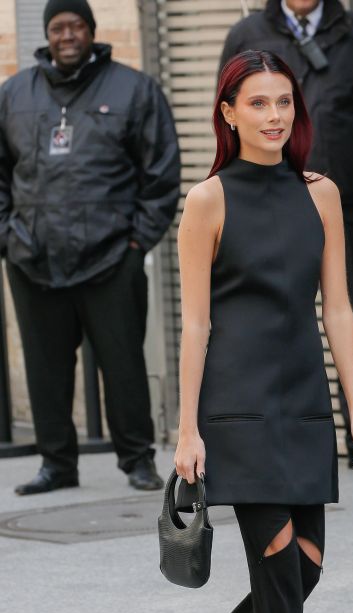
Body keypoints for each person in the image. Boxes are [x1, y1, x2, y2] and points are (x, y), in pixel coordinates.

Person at [174, 49, 353, 613]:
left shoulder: (320, 193)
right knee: (276, 578)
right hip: (238, 410)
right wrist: (186, 429)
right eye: (257, 103)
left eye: (283, 103)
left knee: (304, 573)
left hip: (302, 403)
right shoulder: (206, 202)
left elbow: (339, 309)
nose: (273, 116)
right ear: (228, 113)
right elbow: (194, 324)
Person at [220, 0, 353, 472]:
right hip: (265, 197)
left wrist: (340, 157)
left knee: (349, 306)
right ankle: (267, 435)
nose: (276, 113)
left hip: (343, 193)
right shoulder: (248, 32)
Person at [0, 0, 181, 494]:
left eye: (76, 25)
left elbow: (162, 173)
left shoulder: (135, 89)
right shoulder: (13, 94)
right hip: (33, 259)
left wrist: (138, 239)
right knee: (46, 369)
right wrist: (7, 236)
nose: (67, 35)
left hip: (110, 259)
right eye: (58, 27)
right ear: (47, 35)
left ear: (92, 31)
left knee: (123, 365)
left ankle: (138, 460)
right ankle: (57, 464)